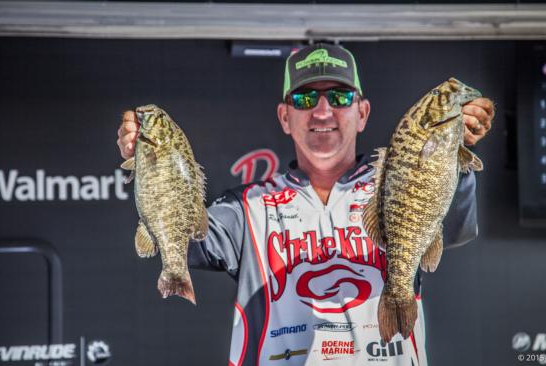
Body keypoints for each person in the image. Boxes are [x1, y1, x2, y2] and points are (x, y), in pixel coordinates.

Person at [117, 43, 494, 366]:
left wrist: (451, 155)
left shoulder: (401, 180)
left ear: (362, 112)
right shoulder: (248, 206)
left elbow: (457, 229)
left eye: (341, 97)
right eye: (305, 98)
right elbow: (182, 240)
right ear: (285, 116)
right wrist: (150, 165)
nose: (323, 111)